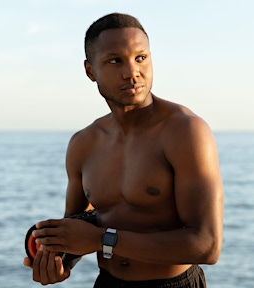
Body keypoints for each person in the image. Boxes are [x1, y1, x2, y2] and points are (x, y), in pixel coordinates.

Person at [22, 12, 224, 287]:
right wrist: (59, 262)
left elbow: (207, 246)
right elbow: (77, 228)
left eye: (141, 57)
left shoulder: (185, 132)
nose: (132, 72)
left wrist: (99, 240)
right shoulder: (83, 143)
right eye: (115, 61)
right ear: (90, 71)